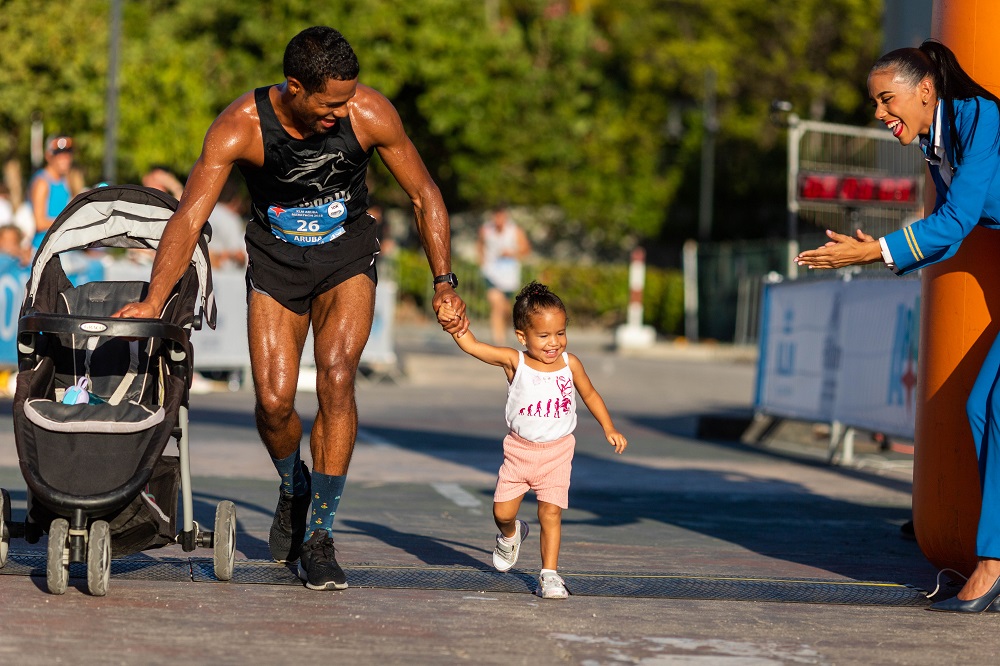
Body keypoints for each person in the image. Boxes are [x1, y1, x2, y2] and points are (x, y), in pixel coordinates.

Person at [113, 26, 467, 590]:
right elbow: (188, 217)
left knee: (336, 377)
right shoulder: (241, 127)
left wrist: (444, 280)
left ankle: (319, 537)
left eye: (349, 98)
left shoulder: (370, 113)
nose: (342, 111)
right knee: (274, 403)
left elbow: (426, 194)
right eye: (331, 103)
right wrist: (154, 299)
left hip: (346, 258)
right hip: (276, 266)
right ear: (295, 87)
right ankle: (292, 486)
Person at [795, 40, 1000, 613]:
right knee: (981, 407)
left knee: (997, 407)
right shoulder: (938, 141)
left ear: (926, 90)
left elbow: (957, 219)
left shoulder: (982, 117)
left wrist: (870, 254)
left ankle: (993, 563)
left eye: (888, 99)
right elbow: (948, 226)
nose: (881, 113)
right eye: (876, 103)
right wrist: (876, 250)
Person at [440, 281, 627, 599]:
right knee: (502, 513)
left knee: (551, 513)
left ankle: (550, 575)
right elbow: (474, 346)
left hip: (558, 452)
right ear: (522, 336)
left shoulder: (571, 364)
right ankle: (512, 535)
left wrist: (608, 426)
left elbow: (590, 394)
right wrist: (457, 329)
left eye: (560, 333)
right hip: (519, 453)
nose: (554, 343)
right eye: (544, 336)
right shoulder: (516, 362)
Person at [478, 204, 531, 344]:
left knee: (506, 308)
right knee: (496, 304)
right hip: (491, 273)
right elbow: (480, 245)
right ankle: (499, 340)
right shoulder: (486, 230)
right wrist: (482, 261)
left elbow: (526, 249)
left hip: (508, 275)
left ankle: (505, 328)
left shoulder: (515, 231)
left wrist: (512, 253)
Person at [28, 135, 75, 251]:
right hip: (42, 249)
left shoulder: (65, 181)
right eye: (60, 155)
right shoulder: (42, 182)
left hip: (59, 247)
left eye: (67, 154)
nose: (65, 159)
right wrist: (70, 221)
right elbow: (39, 222)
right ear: (49, 157)